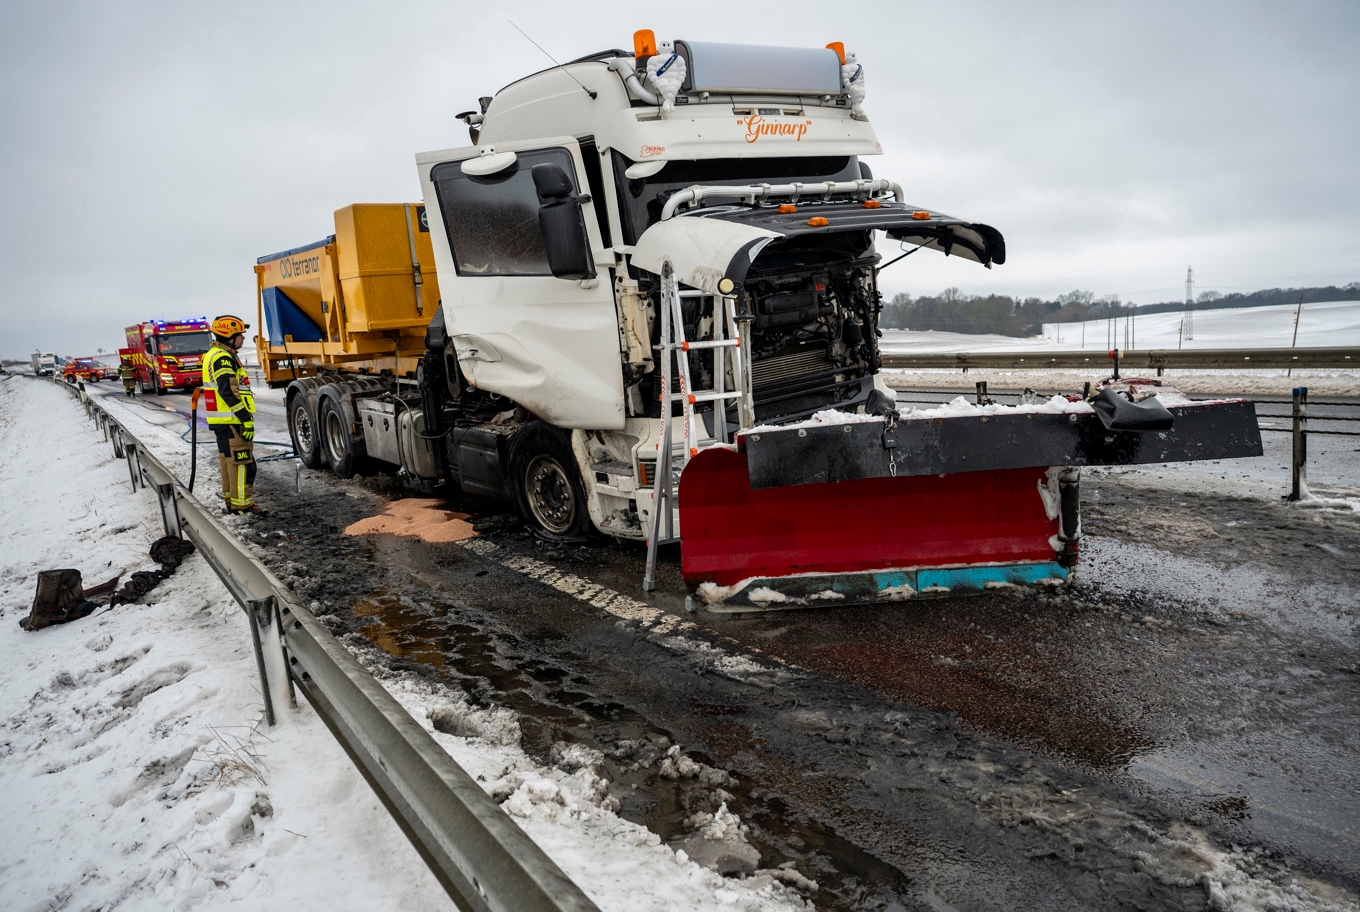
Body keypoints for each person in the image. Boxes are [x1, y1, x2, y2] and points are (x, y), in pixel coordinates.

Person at [202, 315, 266, 516]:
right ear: (229, 336)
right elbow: (228, 391)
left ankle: (232, 503)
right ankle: (242, 506)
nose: (243, 339)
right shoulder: (223, 358)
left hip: (223, 421)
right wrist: (245, 419)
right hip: (233, 421)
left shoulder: (213, 354)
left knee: (228, 462)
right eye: (240, 335)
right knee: (242, 464)